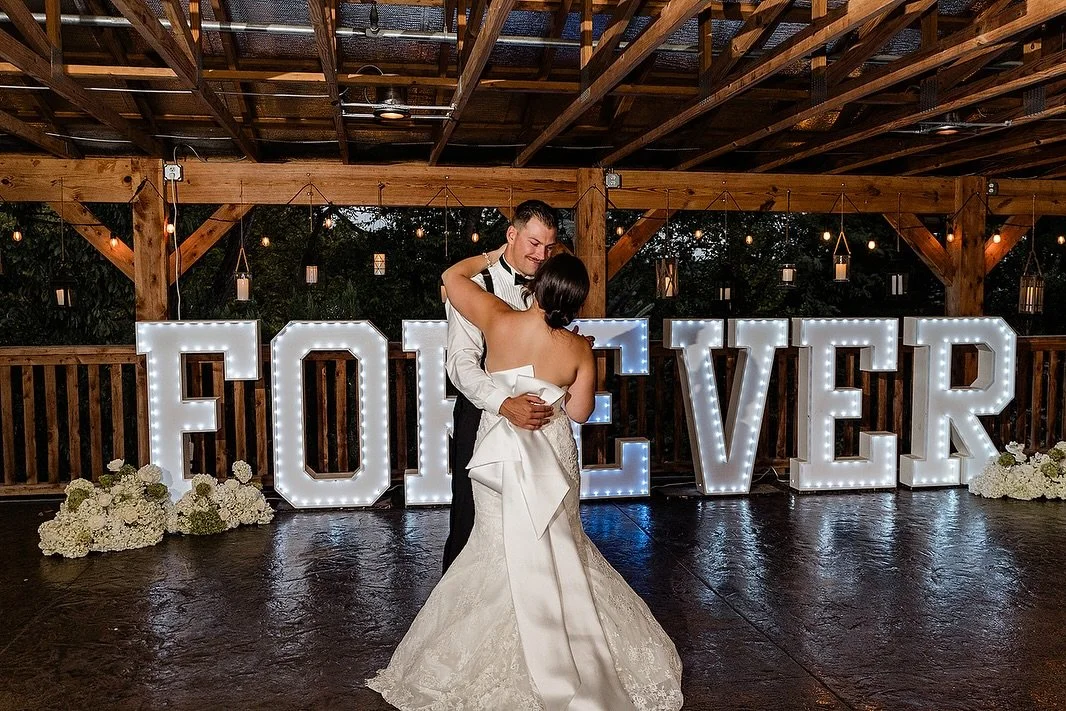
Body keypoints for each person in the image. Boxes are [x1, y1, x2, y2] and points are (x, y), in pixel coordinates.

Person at [368, 248, 683, 710]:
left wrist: (494, 253)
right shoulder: (576, 347)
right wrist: (580, 363)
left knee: (493, 549)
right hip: (552, 458)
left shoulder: (498, 320)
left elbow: (451, 274)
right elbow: (578, 411)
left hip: (497, 456)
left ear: (537, 287)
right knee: (561, 549)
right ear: (575, 303)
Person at [441, 200, 559, 573]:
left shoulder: (549, 287)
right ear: (512, 234)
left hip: (536, 421)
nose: (541, 255)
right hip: (482, 414)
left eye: (548, 247)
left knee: (534, 517)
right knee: (471, 518)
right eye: (534, 243)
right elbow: (460, 363)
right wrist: (504, 403)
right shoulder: (475, 286)